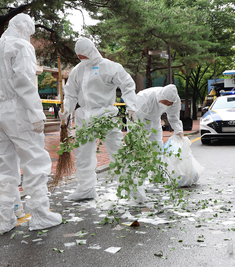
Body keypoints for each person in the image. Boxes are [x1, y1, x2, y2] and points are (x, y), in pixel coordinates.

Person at [0, 13, 62, 234]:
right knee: (34, 160)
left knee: (4, 165)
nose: (30, 35)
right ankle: (40, 215)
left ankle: (4, 218)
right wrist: (36, 113)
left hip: (1, 111)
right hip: (18, 110)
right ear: (24, 27)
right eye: (30, 31)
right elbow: (23, 81)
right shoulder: (21, 46)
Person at [59, 37, 137, 201]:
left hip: (106, 116)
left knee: (118, 152)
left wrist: (131, 106)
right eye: (79, 56)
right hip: (84, 118)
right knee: (82, 155)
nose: (81, 59)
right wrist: (66, 110)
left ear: (92, 51)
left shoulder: (109, 67)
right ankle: (86, 189)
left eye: (84, 55)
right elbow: (71, 93)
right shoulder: (78, 70)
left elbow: (127, 84)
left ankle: (132, 190)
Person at [135, 84, 184, 150]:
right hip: (141, 120)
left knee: (158, 147)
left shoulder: (175, 100)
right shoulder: (145, 98)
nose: (167, 105)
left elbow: (174, 116)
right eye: (165, 102)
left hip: (155, 120)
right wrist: (135, 138)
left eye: (169, 104)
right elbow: (136, 119)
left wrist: (178, 130)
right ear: (160, 97)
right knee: (139, 147)